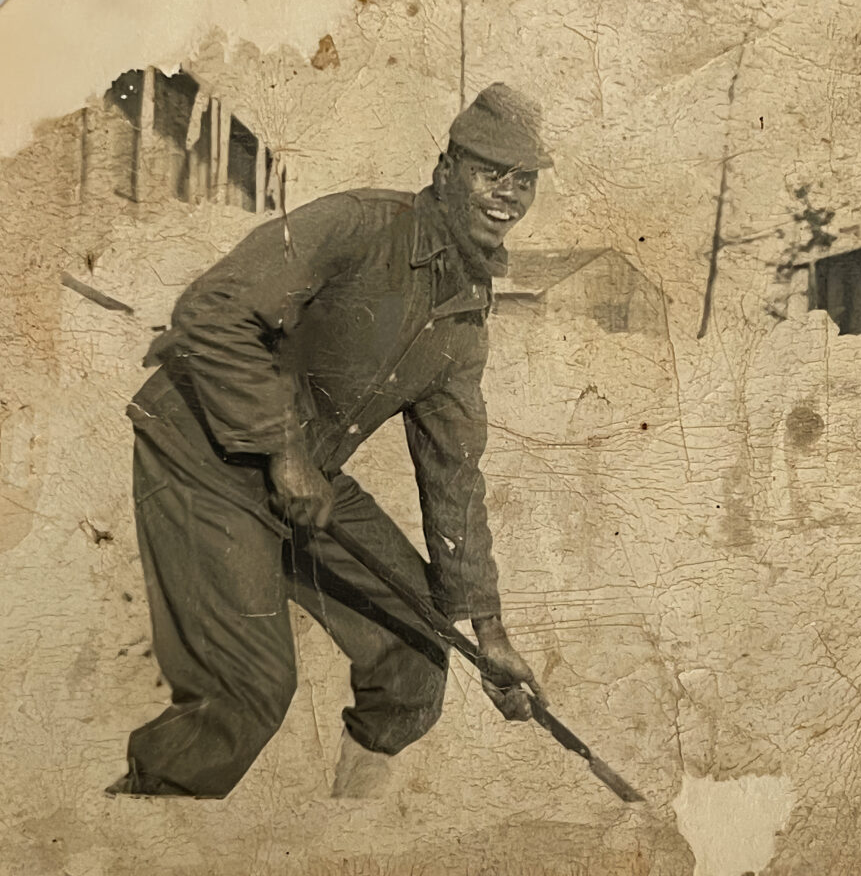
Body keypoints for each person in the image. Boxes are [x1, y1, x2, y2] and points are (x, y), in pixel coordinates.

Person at [107, 83, 554, 799]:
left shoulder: (465, 315)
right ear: (446, 167)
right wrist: (283, 451)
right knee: (247, 689)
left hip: (301, 477)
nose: (506, 195)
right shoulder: (359, 224)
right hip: (198, 451)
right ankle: (140, 827)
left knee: (414, 650)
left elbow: (453, 475)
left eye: (522, 180)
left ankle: (345, 828)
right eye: (488, 172)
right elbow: (210, 311)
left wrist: (488, 629)